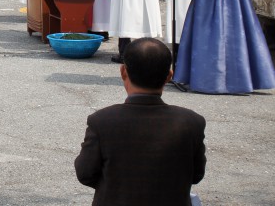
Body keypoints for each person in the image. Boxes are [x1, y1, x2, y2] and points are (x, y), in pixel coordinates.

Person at [75, 37, 206, 205]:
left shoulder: (102, 121)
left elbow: (85, 174)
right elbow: (196, 175)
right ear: (169, 76)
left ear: (123, 72)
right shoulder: (191, 122)